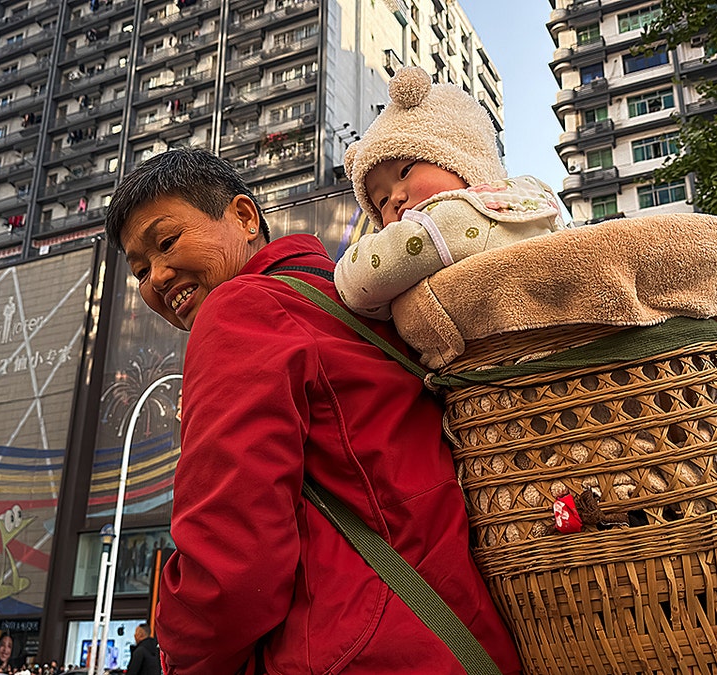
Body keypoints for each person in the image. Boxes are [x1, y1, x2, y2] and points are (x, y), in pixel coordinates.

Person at [105, 148, 520, 674]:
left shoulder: (239, 311)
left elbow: (230, 566)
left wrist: (181, 658)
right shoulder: (354, 301)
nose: (157, 277)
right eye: (140, 270)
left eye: (166, 243)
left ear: (244, 217)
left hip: (357, 654)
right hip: (464, 641)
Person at [335, 66, 563, 320]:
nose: (396, 199)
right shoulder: (522, 199)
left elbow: (359, 284)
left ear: (461, 158)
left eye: (406, 171)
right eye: (382, 201)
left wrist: (341, 271)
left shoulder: (463, 214)